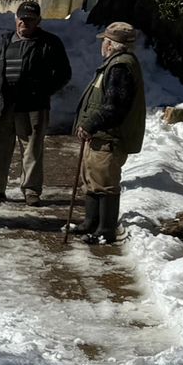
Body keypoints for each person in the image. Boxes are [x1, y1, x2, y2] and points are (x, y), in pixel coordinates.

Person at [0, 0, 72, 205]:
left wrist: (43, 91)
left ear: (38, 21)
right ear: (16, 19)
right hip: (5, 105)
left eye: (30, 19)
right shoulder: (5, 43)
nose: (25, 23)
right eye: (22, 19)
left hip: (34, 107)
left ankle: (31, 190)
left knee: (32, 149)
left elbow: (64, 74)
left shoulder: (50, 43)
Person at [71, 21, 145, 245]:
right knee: (92, 180)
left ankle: (105, 230)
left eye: (105, 40)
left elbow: (114, 107)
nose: (102, 44)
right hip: (101, 136)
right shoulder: (115, 64)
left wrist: (91, 124)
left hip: (109, 138)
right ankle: (90, 223)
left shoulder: (120, 67)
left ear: (112, 45)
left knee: (105, 183)